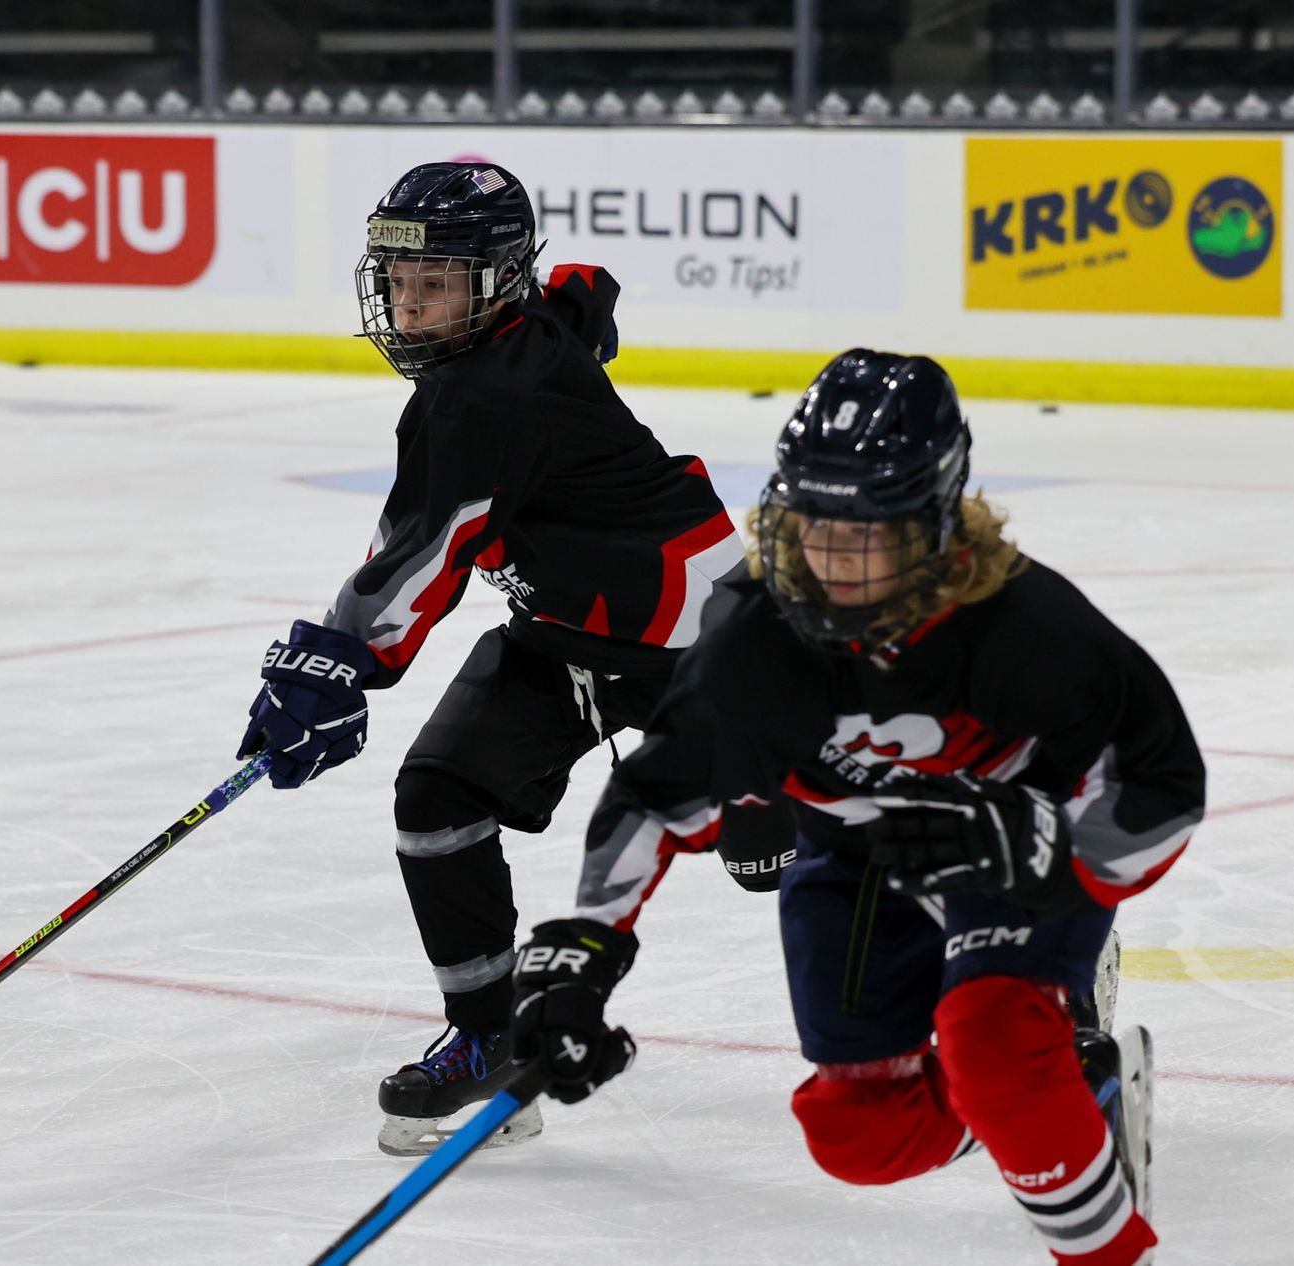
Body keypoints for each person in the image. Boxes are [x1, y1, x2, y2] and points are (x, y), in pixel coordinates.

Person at [511, 349, 1206, 1265]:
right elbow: (658, 793)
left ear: (933, 524)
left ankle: (1110, 1247)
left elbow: (1162, 788)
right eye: (811, 525)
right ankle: (1076, 1094)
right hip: (850, 857)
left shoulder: (1029, 631)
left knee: (991, 1040)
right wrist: (586, 951)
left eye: (865, 531)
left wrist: (1043, 850)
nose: (831, 560)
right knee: (859, 1134)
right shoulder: (755, 642)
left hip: (1015, 861)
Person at [235, 161, 790, 1156]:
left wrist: (331, 664)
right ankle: (490, 1041)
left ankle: (1032, 984)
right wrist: (580, 306)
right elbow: (579, 295)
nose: (408, 308)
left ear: (496, 284)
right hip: (566, 629)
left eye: (434, 285)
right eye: (399, 283)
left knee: (793, 850)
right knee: (437, 797)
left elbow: (422, 557)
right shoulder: (508, 343)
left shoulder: (479, 400)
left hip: (700, 640)